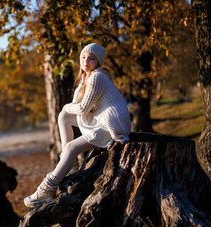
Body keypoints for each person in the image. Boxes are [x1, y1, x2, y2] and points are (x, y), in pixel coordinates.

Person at [24, 43, 131, 208]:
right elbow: (75, 108)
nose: (86, 61)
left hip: (111, 126)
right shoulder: (88, 77)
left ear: (98, 61)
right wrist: (81, 84)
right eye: (83, 57)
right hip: (101, 120)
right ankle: (72, 166)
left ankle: (47, 189)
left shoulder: (97, 77)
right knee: (64, 117)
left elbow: (82, 108)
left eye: (91, 58)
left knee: (71, 145)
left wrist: (66, 106)